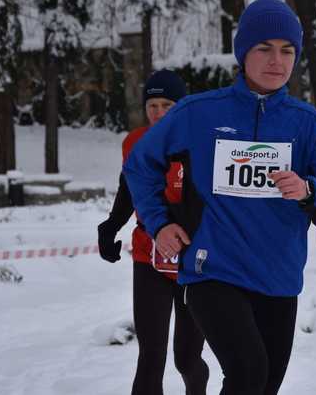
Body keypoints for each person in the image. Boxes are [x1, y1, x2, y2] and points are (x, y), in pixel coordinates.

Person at [123, 0, 316, 395]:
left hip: (278, 277)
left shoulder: (308, 125)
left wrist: (308, 190)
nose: (277, 60)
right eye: (264, 48)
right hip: (213, 269)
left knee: (264, 384)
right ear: (242, 52)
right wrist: (160, 223)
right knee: (248, 371)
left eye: (287, 50)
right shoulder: (199, 113)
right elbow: (140, 165)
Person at [97, 69, 209, 395]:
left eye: (167, 105)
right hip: (149, 258)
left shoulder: (199, 143)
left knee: (187, 358)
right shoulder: (135, 142)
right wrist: (111, 227)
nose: (158, 113)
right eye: (152, 105)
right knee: (151, 356)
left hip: (191, 262)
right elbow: (128, 188)